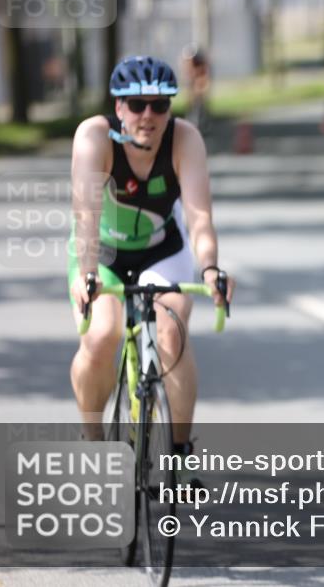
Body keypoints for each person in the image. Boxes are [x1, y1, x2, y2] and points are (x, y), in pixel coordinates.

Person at [68, 55, 234, 479]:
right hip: (100, 253)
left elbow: (199, 219)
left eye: (160, 105)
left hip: (162, 249)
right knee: (102, 334)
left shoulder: (185, 139)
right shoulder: (94, 136)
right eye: (137, 104)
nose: (148, 115)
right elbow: (85, 216)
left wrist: (211, 268)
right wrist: (88, 274)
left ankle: (178, 453)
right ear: (118, 106)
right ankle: (94, 441)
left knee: (171, 328)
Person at [181, 43, 211, 133]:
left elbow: (204, 74)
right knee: (191, 103)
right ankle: (191, 121)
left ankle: (203, 122)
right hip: (191, 81)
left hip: (199, 81)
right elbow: (186, 72)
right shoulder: (187, 62)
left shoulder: (201, 62)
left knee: (200, 102)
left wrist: (201, 86)